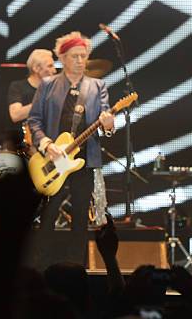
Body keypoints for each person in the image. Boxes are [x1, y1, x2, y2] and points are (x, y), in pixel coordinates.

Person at [28, 31, 115, 264]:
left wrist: (108, 125)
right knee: (47, 217)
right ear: (63, 58)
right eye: (74, 56)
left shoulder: (97, 86)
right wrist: (46, 144)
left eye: (83, 56)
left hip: (83, 162)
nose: (80, 60)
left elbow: (104, 121)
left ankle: (76, 268)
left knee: (79, 220)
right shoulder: (47, 86)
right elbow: (34, 120)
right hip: (53, 162)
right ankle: (41, 267)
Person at [7, 49, 56, 150]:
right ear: (36, 68)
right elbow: (15, 115)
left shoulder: (55, 88)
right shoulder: (18, 86)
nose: (54, 70)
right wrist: (41, 101)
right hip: (23, 143)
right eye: (50, 66)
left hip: (51, 141)